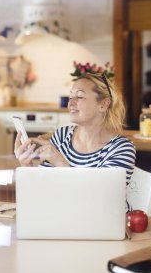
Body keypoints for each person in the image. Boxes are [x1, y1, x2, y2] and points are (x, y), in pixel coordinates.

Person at [14, 64, 136, 210]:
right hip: (65, 220)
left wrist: (60, 163)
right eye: (70, 96)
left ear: (103, 104)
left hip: (104, 227)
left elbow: (101, 200)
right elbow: (42, 190)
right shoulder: (62, 137)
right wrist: (26, 166)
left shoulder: (122, 149)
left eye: (79, 96)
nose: (70, 103)